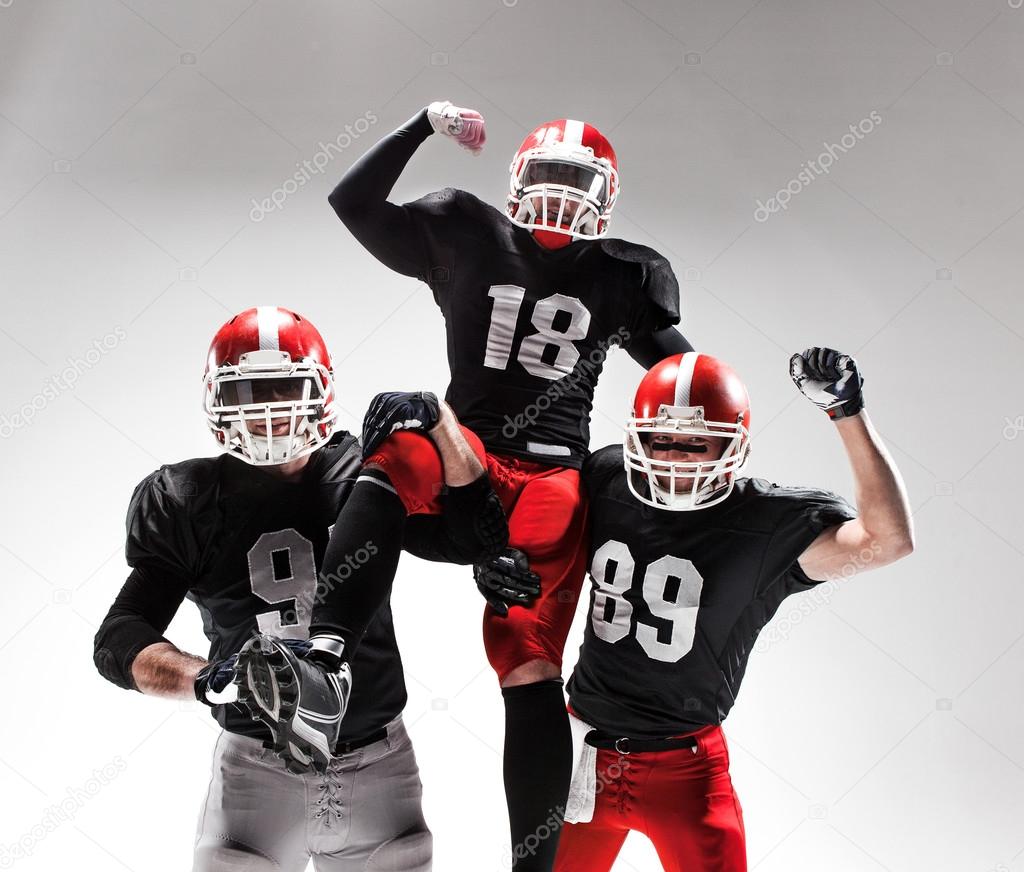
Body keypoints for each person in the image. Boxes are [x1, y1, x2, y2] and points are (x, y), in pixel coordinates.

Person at [257, 100, 696, 872]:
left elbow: (682, 379)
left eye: (575, 178)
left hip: (551, 478)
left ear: (607, 196)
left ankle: (537, 867)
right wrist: (419, 123)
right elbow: (351, 205)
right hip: (463, 455)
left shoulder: (625, 274)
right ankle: (326, 654)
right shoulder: (469, 230)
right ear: (518, 179)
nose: (560, 193)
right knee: (397, 443)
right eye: (550, 175)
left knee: (527, 662)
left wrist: (674, 470)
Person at [93, 306, 510, 871]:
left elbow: (471, 537)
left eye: (284, 389)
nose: (269, 412)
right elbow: (120, 636)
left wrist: (440, 421)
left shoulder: (362, 471)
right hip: (254, 767)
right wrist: (208, 679)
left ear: (320, 392)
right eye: (250, 395)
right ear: (219, 402)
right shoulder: (191, 497)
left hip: (376, 759)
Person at [551, 347, 914, 872]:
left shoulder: (765, 521)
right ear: (634, 436)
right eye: (660, 440)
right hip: (578, 750)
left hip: (685, 772)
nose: (673, 457)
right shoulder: (606, 477)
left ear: (734, 447)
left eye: (696, 444)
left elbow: (890, 539)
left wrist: (846, 411)